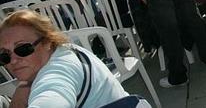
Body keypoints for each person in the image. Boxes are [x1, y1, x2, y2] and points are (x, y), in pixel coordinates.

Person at [0, 10, 128, 107]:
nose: (13, 61)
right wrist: (25, 85)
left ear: (47, 42)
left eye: (23, 49)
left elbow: (53, 92)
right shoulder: (64, 50)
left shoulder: (57, 74)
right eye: (4, 55)